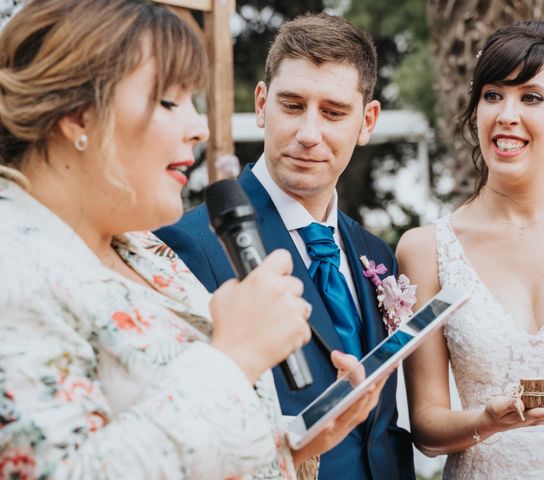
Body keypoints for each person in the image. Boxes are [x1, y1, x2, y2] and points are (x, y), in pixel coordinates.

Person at [0, 1, 390, 478]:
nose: (200, 127)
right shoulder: (13, 265)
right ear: (80, 114)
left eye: (194, 101)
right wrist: (235, 359)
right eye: (169, 101)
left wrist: (295, 444)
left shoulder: (145, 250)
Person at [156, 13, 414, 480]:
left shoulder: (376, 254)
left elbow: (382, 428)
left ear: (367, 121)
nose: (309, 133)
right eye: (292, 106)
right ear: (261, 104)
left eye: (334, 112)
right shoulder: (190, 245)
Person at [397, 20, 544, 479]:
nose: (507, 113)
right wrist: (486, 421)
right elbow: (427, 430)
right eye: (493, 95)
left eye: (530, 97)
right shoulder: (425, 249)